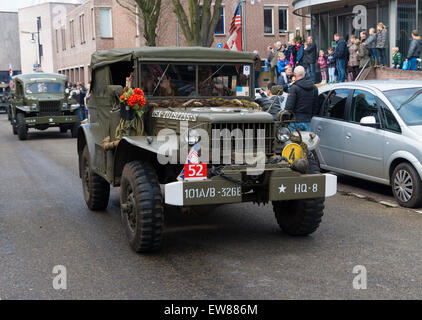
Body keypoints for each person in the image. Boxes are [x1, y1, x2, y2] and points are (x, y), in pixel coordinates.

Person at [285, 66, 318, 131]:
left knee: (291, 141)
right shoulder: (314, 88)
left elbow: (289, 107)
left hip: (295, 122)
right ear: (305, 74)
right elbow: (316, 106)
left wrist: (286, 120)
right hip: (307, 121)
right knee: (307, 141)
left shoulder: (294, 88)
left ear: (294, 75)